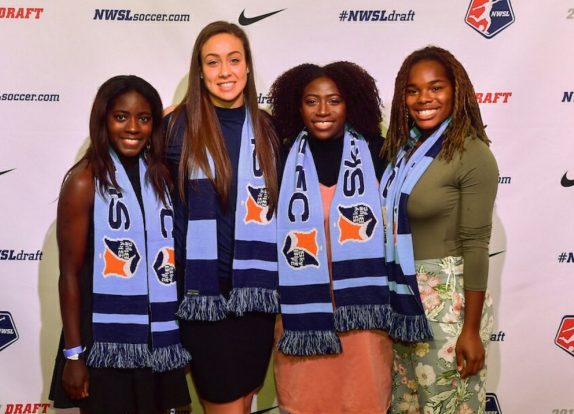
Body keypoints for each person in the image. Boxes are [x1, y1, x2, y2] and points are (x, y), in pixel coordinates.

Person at [49, 75, 191, 414]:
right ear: (103, 120)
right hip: (103, 343)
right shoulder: (84, 180)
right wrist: (73, 355)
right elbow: (69, 275)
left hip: (157, 340)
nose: (133, 128)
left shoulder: (160, 177)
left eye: (144, 118)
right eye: (120, 117)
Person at [163, 21, 280, 414]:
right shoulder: (174, 126)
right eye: (213, 62)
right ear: (199, 70)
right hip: (203, 295)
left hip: (257, 295)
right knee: (226, 405)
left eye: (234, 60)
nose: (225, 71)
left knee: (246, 399)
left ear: (248, 67)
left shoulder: (267, 128)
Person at [380, 46, 498, 414]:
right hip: (402, 302)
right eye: (413, 90)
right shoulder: (404, 150)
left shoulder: (472, 152)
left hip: (448, 308)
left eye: (436, 87)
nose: (424, 98)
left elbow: (477, 244)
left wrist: (471, 330)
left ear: (456, 90)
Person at [270, 61, 392, 414]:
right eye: (312, 101)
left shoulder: (378, 154)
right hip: (301, 314)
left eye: (334, 100)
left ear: (351, 103)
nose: (323, 110)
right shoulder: (279, 157)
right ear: (297, 105)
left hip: (362, 319)